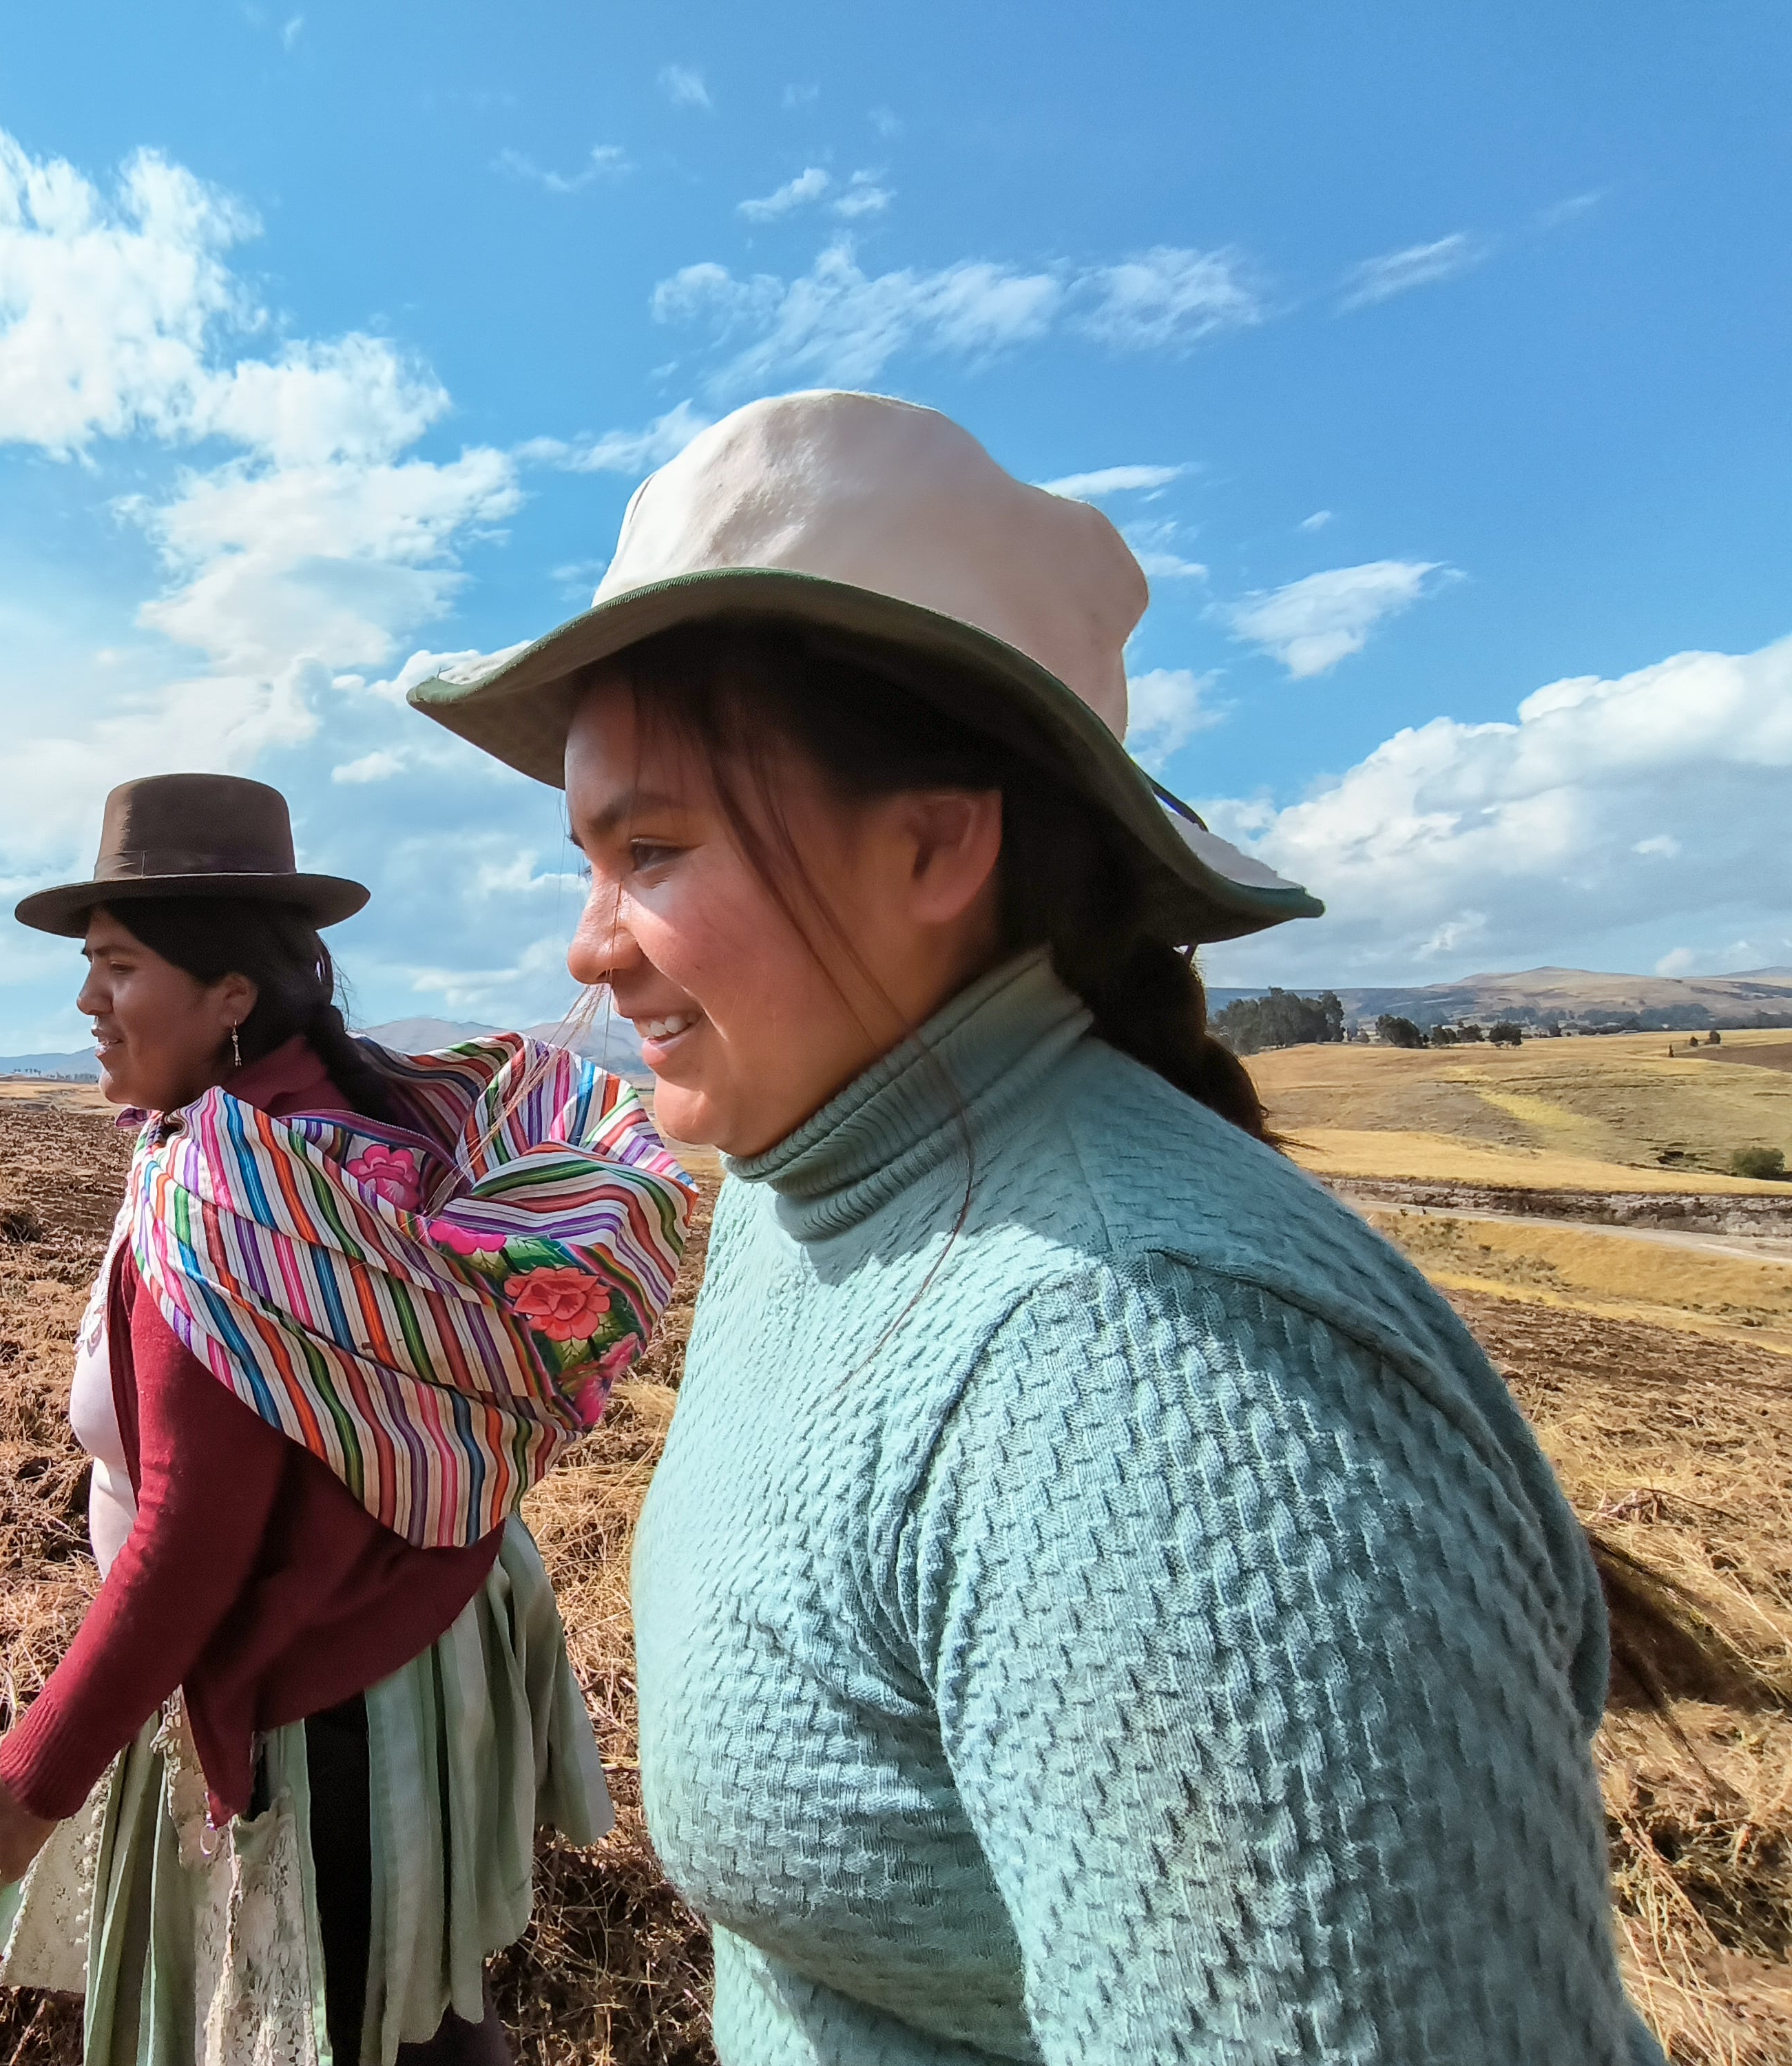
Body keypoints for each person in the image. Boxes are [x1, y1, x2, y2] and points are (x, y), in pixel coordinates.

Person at [406, 393, 1664, 2063]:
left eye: (650, 849)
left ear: (933, 843)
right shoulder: (820, 1188)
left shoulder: (1148, 1386)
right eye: (587, 857)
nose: (589, 946)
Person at [0, 773, 694, 2066]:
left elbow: (193, 1534)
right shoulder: (356, 1127)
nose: (85, 1002)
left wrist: (36, 1770)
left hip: (325, 1698)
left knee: (346, 2024)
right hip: (425, 1654)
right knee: (422, 2012)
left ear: (229, 997)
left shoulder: (242, 1194)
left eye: (117, 967)